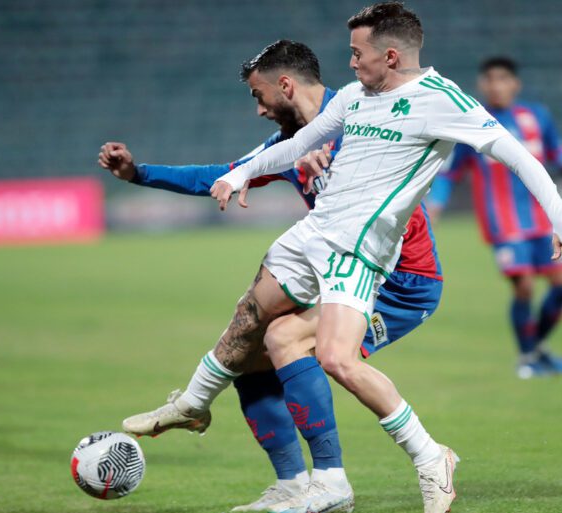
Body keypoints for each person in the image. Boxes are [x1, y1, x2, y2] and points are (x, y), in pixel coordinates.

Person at [209, 3, 562, 512]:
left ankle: (423, 458)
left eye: (358, 53)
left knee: (334, 357)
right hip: (330, 242)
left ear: (390, 56)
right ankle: (341, 476)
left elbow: (518, 155)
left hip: (368, 255)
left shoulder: (441, 100)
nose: (350, 63)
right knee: (286, 337)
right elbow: (300, 143)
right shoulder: (354, 97)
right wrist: (241, 172)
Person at [99, 40, 444, 513]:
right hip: (339, 272)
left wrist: (339, 159)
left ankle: (341, 479)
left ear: (285, 85)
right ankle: (291, 484)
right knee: (251, 354)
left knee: (286, 338)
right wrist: (138, 173)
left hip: (401, 283)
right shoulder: (291, 142)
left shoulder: (364, 116)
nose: (259, 110)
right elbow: (224, 173)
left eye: (259, 96)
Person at [426, 56, 562, 379]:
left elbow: (556, 148)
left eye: (502, 79)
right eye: (489, 79)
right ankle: (527, 358)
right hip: (503, 224)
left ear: (515, 84)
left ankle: (536, 348)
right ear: (481, 84)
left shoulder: (537, 115)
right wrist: (436, 205)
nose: (496, 86)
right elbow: (450, 172)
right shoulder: (473, 122)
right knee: (524, 287)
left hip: (545, 221)